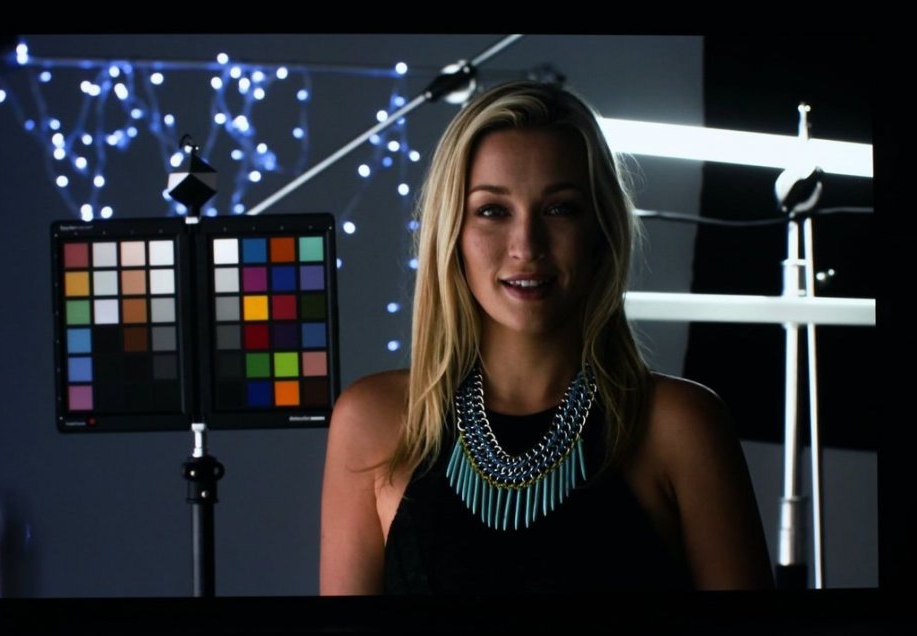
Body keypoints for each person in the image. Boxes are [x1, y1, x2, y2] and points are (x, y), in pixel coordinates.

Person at [319, 80, 774, 594]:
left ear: (600, 231)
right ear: (451, 233)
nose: (526, 245)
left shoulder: (680, 426)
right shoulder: (373, 421)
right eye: (492, 210)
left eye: (560, 209)